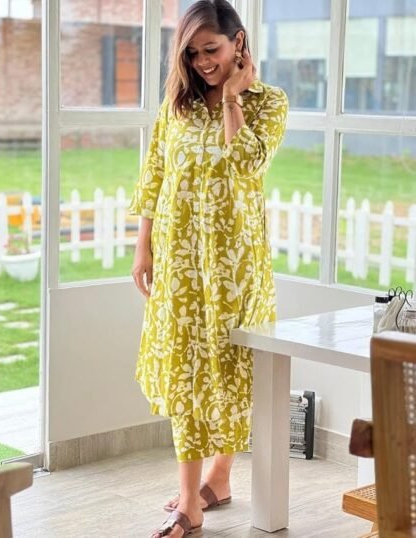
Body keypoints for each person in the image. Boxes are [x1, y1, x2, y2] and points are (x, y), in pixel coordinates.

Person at [128, 1, 288, 536]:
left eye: (211, 49)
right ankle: (190, 503)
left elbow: (247, 163)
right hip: (179, 261)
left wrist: (234, 98)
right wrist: (143, 246)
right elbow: (154, 174)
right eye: (192, 53)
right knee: (185, 371)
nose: (201, 62)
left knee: (228, 369)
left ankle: (218, 479)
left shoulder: (269, 103)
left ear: (238, 42)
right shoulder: (178, 104)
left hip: (234, 265)